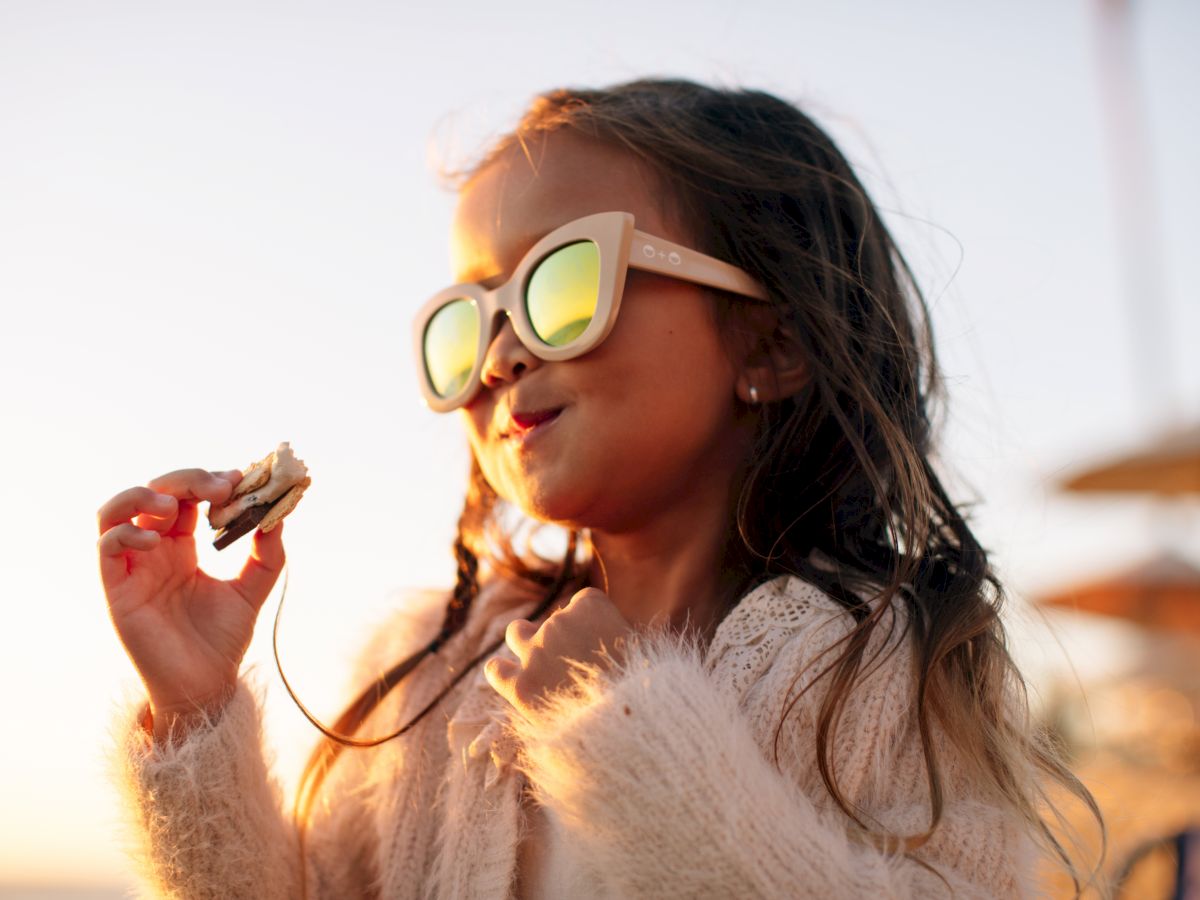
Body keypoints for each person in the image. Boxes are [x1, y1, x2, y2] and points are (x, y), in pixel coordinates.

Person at [100, 78, 1100, 898]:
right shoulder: (438, 673)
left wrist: (637, 740)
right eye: (467, 319)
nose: (496, 357)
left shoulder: (880, 664)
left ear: (771, 341)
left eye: (560, 287)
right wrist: (195, 711)